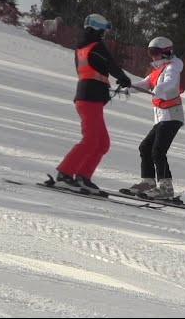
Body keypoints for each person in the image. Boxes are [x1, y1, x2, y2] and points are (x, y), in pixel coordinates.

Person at [53, 13, 132, 194]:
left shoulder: (82, 47)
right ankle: (65, 174)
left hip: (88, 97)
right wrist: (123, 78)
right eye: (103, 31)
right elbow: (110, 64)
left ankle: (83, 177)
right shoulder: (97, 46)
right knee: (91, 140)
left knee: (102, 143)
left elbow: (96, 68)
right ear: (97, 30)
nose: (104, 34)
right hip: (90, 98)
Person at [126, 36, 184, 199]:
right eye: (150, 52)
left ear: (166, 52)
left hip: (172, 116)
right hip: (161, 118)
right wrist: (127, 87)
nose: (152, 56)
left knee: (158, 151)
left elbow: (170, 84)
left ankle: (166, 188)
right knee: (145, 147)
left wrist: (158, 89)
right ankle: (149, 182)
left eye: (155, 52)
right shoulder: (158, 70)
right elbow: (145, 84)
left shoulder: (173, 67)